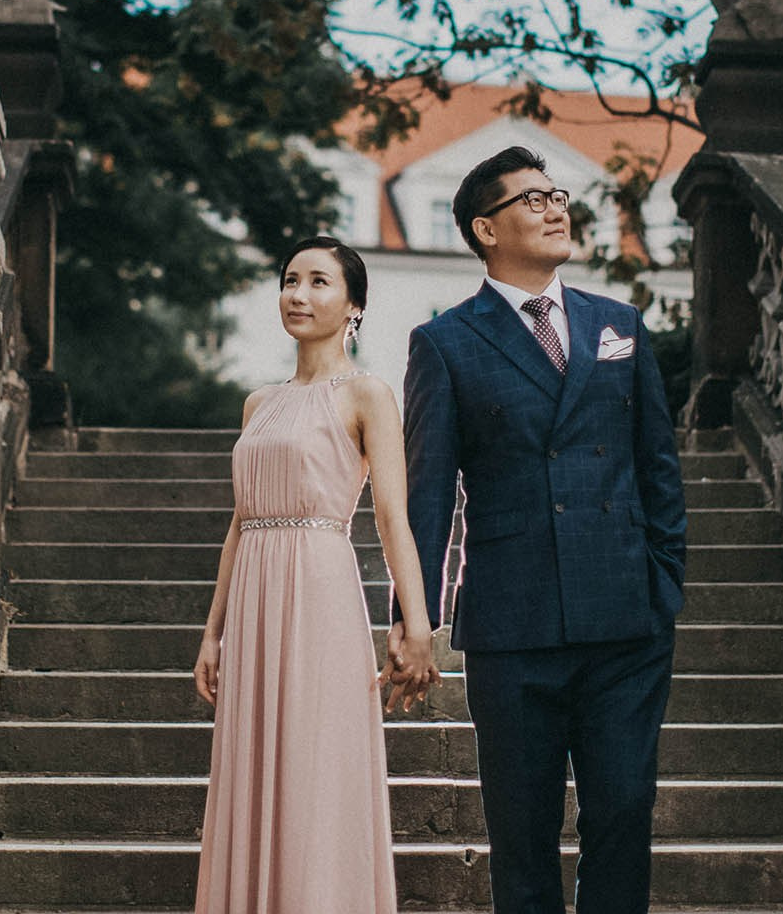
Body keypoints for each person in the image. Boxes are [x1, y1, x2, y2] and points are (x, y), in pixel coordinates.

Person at [394, 146, 687, 913]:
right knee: (522, 835)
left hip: (626, 620)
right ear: (486, 229)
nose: (557, 208)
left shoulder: (618, 323)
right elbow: (425, 492)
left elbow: (659, 466)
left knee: (623, 814)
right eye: (533, 200)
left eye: (558, 194)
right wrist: (413, 617)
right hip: (513, 623)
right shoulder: (446, 342)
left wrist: (664, 584)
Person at [192, 237, 439, 913]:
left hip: (322, 593)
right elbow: (241, 524)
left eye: (319, 282)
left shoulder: (367, 395)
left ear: (353, 304)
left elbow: (392, 517)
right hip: (254, 603)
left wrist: (416, 626)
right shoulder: (258, 402)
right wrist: (213, 632)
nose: (299, 295)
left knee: (314, 774)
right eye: (290, 280)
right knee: (255, 774)